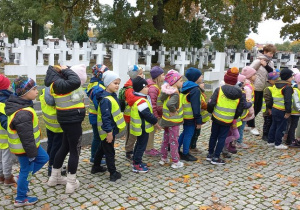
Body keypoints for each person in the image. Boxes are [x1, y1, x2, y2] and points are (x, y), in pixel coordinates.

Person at [5, 76, 49, 207]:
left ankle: (21, 178)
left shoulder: (23, 105)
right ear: (24, 93)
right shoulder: (23, 113)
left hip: (31, 147)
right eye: (34, 89)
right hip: (25, 150)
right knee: (27, 170)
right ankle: (21, 198)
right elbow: (26, 137)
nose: (37, 91)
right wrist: (31, 155)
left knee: (44, 157)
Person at [46, 64, 87, 194]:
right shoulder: (64, 84)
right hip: (73, 121)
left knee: (64, 146)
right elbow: (75, 81)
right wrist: (66, 69)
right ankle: (71, 183)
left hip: (64, 119)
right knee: (75, 150)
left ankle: (54, 177)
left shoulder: (55, 84)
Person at [91, 71, 125, 181]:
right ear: (107, 84)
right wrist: (109, 133)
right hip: (107, 131)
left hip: (111, 129)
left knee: (102, 148)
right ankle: (113, 173)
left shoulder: (112, 96)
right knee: (110, 151)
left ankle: (96, 167)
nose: (117, 85)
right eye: (115, 83)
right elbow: (106, 118)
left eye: (118, 83)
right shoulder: (106, 99)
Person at [207, 67, 243, 165]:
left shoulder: (219, 90)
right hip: (228, 120)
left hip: (216, 117)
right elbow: (240, 109)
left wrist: (211, 112)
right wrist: (234, 117)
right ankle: (216, 157)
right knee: (222, 138)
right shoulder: (240, 93)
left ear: (225, 79)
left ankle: (210, 154)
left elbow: (211, 103)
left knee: (213, 136)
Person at [130, 77, 160, 173]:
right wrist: (155, 122)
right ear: (141, 88)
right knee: (141, 146)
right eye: (146, 87)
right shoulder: (141, 101)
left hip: (140, 127)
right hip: (142, 128)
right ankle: (137, 164)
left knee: (139, 144)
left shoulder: (139, 98)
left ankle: (136, 160)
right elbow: (147, 114)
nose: (148, 88)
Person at [247, 44, 276, 136]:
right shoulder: (258, 61)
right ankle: (251, 126)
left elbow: (273, 72)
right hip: (256, 86)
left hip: (264, 87)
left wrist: (266, 65)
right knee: (254, 106)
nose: (271, 55)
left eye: (272, 53)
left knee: (258, 107)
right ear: (265, 52)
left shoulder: (270, 62)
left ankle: (247, 122)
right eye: (270, 53)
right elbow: (249, 70)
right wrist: (253, 78)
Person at [159, 70, 184, 168]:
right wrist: (174, 111)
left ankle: (163, 157)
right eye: (180, 80)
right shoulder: (175, 93)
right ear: (174, 82)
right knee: (174, 141)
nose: (182, 82)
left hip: (165, 120)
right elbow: (170, 104)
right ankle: (175, 161)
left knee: (165, 139)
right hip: (173, 121)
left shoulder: (166, 90)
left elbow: (161, 99)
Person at [85, 64, 109, 164]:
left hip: (96, 116)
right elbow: (98, 104)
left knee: (99, 136)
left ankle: (100, 153)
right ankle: (94, 157)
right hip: (97, 116)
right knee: (97, 137)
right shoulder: (98, 88)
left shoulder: (97, 84)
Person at [179, 67, 203, 161]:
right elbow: (196, 107)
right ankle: (185, 153)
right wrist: (198, 121)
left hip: (184, 115)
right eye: (200, 75)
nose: (202, 77)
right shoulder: (195, 90)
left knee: (185, 132)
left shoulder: (185, 86)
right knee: (189, 134)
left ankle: (175, 148)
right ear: (195, 77)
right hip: (191, 117)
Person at [267, 68, 294, 149]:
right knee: (281, 126)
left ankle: (270, 141)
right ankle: (278, 143)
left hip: (275, 108)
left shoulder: (275, 85)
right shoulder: (287, 87)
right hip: (282, 110)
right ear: (288, 77)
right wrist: (288, 112)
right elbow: (288, 101)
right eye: (291, 76)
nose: (292, 78)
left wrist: (270, 107)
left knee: (274, 125)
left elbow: (272, 98)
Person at [39, 87, 64, 176]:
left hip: (49, 124)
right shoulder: (57, 92)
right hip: (58, 126)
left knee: (51, 144)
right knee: (57, 147)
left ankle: (50, 164)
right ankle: (53, 167)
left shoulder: (45, 91)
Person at [123, 65, 144, 160]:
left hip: (136, 114)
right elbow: (131, 100)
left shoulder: (136, 84)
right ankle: (128, 150)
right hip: (129, 115)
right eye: (140, 74)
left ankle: (132, 149)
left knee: (134, 134)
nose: (142, 75)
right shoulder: (129, 87)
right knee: (130, 135)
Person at [0, 75, 16, 186]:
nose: (10, 86)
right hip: (4, 135)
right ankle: (7, 177)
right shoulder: (4, 102)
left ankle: (1, 175)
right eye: (8, 84)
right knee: (6, 157)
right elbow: (5, 122)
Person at [145, 66, 164, 156]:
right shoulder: (153, 88)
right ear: (158, 76)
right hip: (152, 115)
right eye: (163, 75)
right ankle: (148, 149)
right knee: (150, 132)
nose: (164, 77)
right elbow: (153, 104)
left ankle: (150, 147)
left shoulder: (155, 86)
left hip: (154, 114)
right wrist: (155, 117)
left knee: (152, 131)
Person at [237, 66, 256, 149]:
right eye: (255, 74)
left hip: (244, 111)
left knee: (240, 127)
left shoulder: (248, 85)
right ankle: (239, 142)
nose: (256, 76)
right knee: (241, 127)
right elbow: (248, 101)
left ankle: (237, 141)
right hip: (245, 111)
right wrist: (251, 112)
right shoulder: (247, 88)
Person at [190, 82, 210, 152]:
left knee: (196, 132)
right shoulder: (197, 93)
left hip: (199, 117)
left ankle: (192, 145)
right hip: (197, 117)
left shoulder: (201, 93)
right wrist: (208, 105)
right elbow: (201, 104)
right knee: (195, 132)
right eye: (202, 83)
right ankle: (192, 146)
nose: (203, 84)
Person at [261, 72, 279, 141]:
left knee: (271, 122)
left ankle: (270, 134)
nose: (277, 80)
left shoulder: (274, 87)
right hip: (267, 109)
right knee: (267, 123)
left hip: (272, 108)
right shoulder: (268, 88)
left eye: (277, 79)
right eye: (275, 80)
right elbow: (268, 100)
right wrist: (269, 108)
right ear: (270, 80)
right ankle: (265, 135)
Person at [286, 73, 300, 146]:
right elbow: (295, 102)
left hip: (297, 112)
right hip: (294, 112)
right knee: (292, 126)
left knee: (294, 126)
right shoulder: (295, 90)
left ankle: (290, 139)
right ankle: (290, 140)